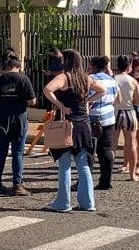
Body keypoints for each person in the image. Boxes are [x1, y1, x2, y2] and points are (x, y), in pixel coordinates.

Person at [43, 49, 107, 213]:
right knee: (83, 164)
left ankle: (63, 202)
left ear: (67, 61)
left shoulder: (64, 77)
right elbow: (102, 91)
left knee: (64, 164)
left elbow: (47, 89)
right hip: (83, 124)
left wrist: (60, 105)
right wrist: (88, 102)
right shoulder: (86, 78)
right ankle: (88, 203)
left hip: (67, 124)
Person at [0, 57, 35, 196]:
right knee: (18, 152)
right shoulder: (23, 79)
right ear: (18, 66)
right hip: (19, 118)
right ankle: (17, 184)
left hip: (2, 117)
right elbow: (32, 100)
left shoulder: (0, 79)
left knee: (1, 152)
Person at [88, 55, 119, 190]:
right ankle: (105, 180)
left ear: (93, 66)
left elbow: (87, 97)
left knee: (89, 151)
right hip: (109, 117)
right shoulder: (112, 80)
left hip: (93, 117)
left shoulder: (92, 79)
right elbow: (116, 99)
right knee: (106, 149)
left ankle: (85, 180)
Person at [113, 55, 139, 180]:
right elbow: (138, 101)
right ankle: (132, 174)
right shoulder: (133, 81)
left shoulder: (113, 79)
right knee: (131, 143)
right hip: (129, 112)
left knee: (112, 144)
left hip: (115, 112)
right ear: (129, 66)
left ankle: (107, 172)